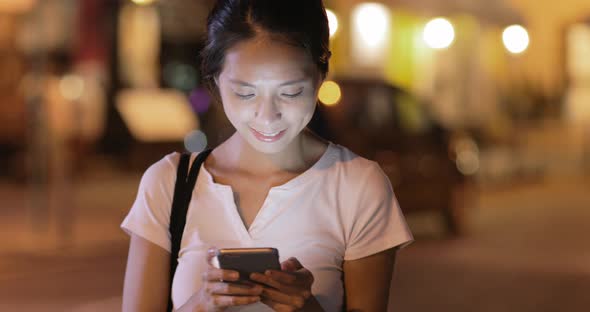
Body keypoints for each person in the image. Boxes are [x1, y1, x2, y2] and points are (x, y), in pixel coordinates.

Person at [121, 1, 413, 311]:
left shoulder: (358, 185)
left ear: (320, 75)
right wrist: (200, 305)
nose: (268, 115)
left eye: (290, 92)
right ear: (216, 80)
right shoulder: (170, 183)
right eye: (245, 93)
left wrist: (308, 308)